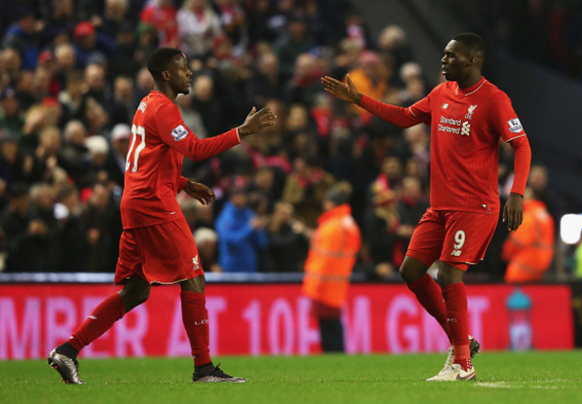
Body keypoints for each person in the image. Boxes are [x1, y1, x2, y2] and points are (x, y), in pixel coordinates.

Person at [47, 47, 276, 384]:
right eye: (183, 68)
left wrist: (184, 183)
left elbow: (145, 160)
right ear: (167, 74)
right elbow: (196, 149)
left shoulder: (146, 104)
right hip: (154, 205)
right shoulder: (164, 109)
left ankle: (66, 351)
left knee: (137, 291)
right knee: (194, 275)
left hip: (137, 202)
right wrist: (243, 132)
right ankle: (204, 368)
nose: (190, 73)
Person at [322, 33, 531, 381]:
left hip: (475, 206)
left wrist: (517, 194)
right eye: (444, 55)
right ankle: (460, 340)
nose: (443, 61)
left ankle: (463, 364)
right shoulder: (440, 94)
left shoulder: (494, 100)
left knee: (448, 274)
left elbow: (521, 146)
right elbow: (405, 117)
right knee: (411, 271)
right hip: (440, 207)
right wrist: (359, 99)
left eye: (451, 56)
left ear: (472, 61)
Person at [302, 182, 361, 352]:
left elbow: (325, 259)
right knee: (332, 324)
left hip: (325, 284)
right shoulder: (347, 223)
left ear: (330, 202)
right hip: (338, 282)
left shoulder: (333, 226)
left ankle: (335, 358)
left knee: (329, 329)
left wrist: (315, 286)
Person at [502, 187, 555, 283]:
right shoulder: (546, 216)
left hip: (522, 268)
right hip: (540, 269)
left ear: (532, 196)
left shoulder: (528, 217)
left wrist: (505, 255)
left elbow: (516, 242)